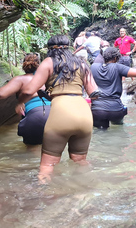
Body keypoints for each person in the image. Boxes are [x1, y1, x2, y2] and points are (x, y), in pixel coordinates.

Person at [19, 35, 100, 182]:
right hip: (84, 114)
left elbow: (28, 91)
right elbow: (94, 93)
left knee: (48, 164)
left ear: (50, 49)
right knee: (79, 160)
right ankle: (85, 192)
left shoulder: (49, 62)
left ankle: (44, 197)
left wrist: (19, 103)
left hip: (61, 112)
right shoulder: (81, 63)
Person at [0, 53, 49, 145]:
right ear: (39, 65)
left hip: (36, 116)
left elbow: (0, 94)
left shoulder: (20, 80)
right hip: (54, 114)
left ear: (23, 65)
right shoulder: (46, 79)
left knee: (33, 152)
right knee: (52, 150)